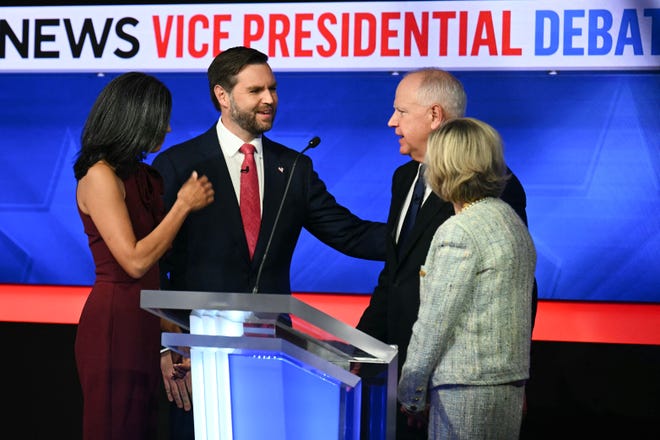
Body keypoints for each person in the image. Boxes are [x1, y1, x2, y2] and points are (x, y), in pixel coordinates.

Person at [151, 46, 387, 439]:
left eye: (273, 89)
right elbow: (157, 261)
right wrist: (166, 342)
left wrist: (424, 236)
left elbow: (350, 233)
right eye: (256, 90)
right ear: (222, 97)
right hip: (199, 351)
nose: (269, 100)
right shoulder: (178, 164)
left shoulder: (294, 166)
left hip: (274, 346)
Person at [356, 68, 536, 439]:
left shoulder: (485, 201)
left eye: (401, 112)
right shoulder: (404, 179)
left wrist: (416, 388)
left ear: (434, 116)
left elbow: (512, 294)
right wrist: (361, 348)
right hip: (413, 376)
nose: (392, 121)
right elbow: (394, 275)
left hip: (454, 383)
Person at [73, 72, 215, 440]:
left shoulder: (145, 177)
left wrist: (167, 335)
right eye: (160, 118)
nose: (167, 128)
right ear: (135, 118)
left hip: (145, 323)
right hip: (115, 325)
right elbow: (134, 261)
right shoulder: (99, 176)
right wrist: (183, 205)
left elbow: (157, 259)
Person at [397, 117, 537, 439]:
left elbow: (435, 322)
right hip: (506, 386)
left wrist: (410, 393)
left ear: (445, 166)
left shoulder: (459, 231)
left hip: (465, 390)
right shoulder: (509, 221)